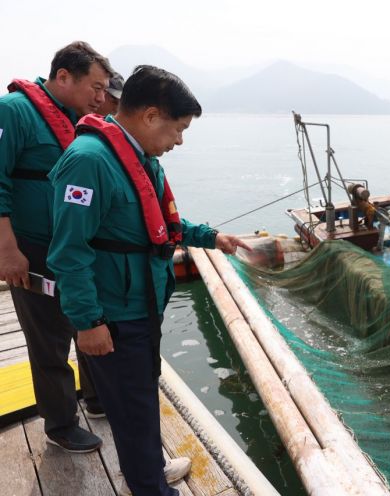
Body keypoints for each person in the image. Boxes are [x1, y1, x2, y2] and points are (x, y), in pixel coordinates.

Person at [47, 65, 250, 496]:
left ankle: (149, 477)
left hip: (143, 305)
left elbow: (158, 222)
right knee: (133, 411)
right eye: (178, 129)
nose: (179, 140)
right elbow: (68, 251)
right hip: (114, 316)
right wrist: (87, 322)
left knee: (137, 405)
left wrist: (211, 237)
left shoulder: (139, 157)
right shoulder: (87, 162)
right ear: (152, 116)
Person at [0, 41, 113, 452]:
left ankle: (97, 400)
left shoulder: (77, 119)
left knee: (87, 316)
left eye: (105, 90)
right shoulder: (13, 111)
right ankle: (60, 424)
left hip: (76, 246)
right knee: (48, 336)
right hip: (32, 247)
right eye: (95, 88)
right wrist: (7, 251)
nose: (101, 98)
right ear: (63, 76)